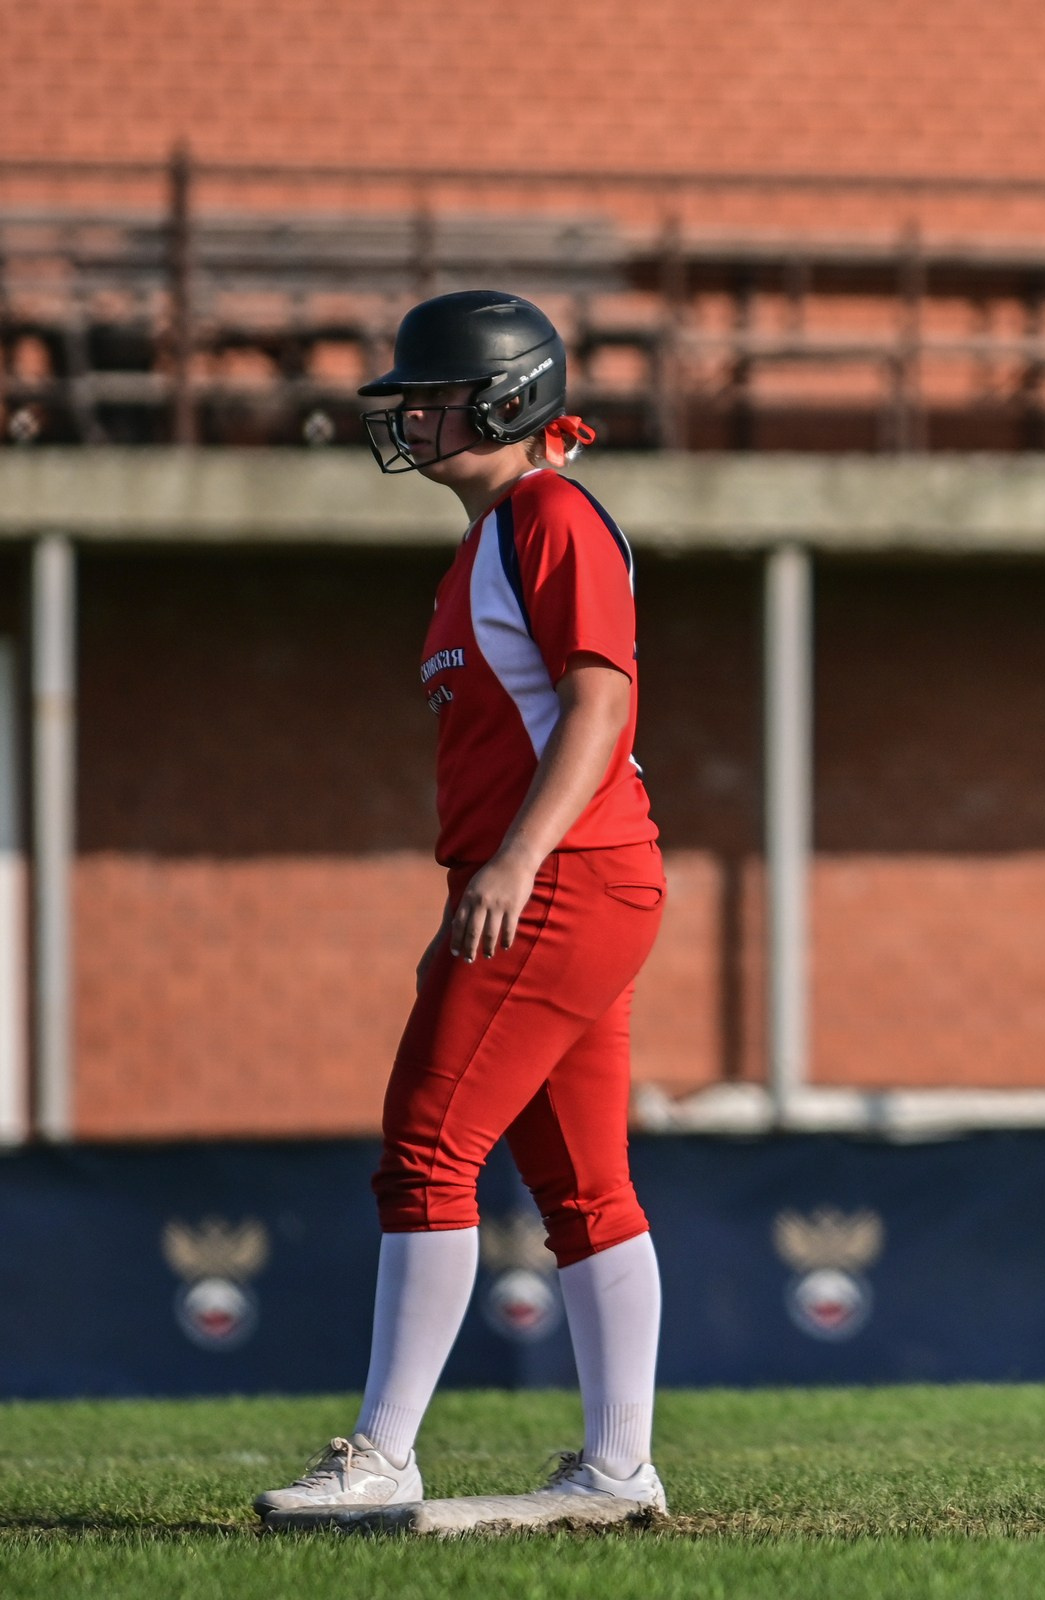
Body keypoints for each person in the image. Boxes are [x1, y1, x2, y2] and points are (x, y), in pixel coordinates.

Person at [254, 290, 671, 1521]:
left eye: (436, 396)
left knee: (427, 1147)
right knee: (585, 1184)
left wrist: (515, 861)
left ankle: (383, 1455)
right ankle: (617, 1470)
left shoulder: (548, 514)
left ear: (508, 400)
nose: (414, 417)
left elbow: (601, 702)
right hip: (567, 875)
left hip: (563, 871)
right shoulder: (492, 537)